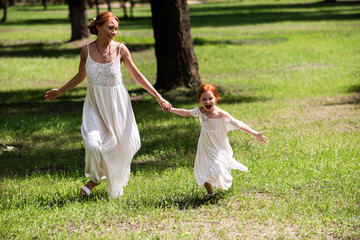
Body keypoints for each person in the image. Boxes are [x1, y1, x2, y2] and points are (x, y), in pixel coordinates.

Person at [44, 11, 171, 198]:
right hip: (94, 105)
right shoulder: (86, 50)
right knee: (93, 145)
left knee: (116, 147)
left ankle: (100, 181)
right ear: (98, 27)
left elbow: (137, 76)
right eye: (110, 27)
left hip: (117, 106)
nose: (114, 32)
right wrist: (59, 91)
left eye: (116, 29)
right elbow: (81, 76)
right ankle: (95, 178)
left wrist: (159, 97)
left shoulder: (121, 50)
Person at [169, 84, 269, 198]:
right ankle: (210, 193)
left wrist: (255, 133)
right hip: (205, 146)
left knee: (216, 167)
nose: (207, 101)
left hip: (218, 146)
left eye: (210, 98)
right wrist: (171, 109)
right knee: (204, 169)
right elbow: (186, 112)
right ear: (200, 100)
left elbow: (238, 124)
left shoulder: (222, 114)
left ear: (216, 98)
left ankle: (219, 179)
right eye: (204, 99)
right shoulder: (201, 111)